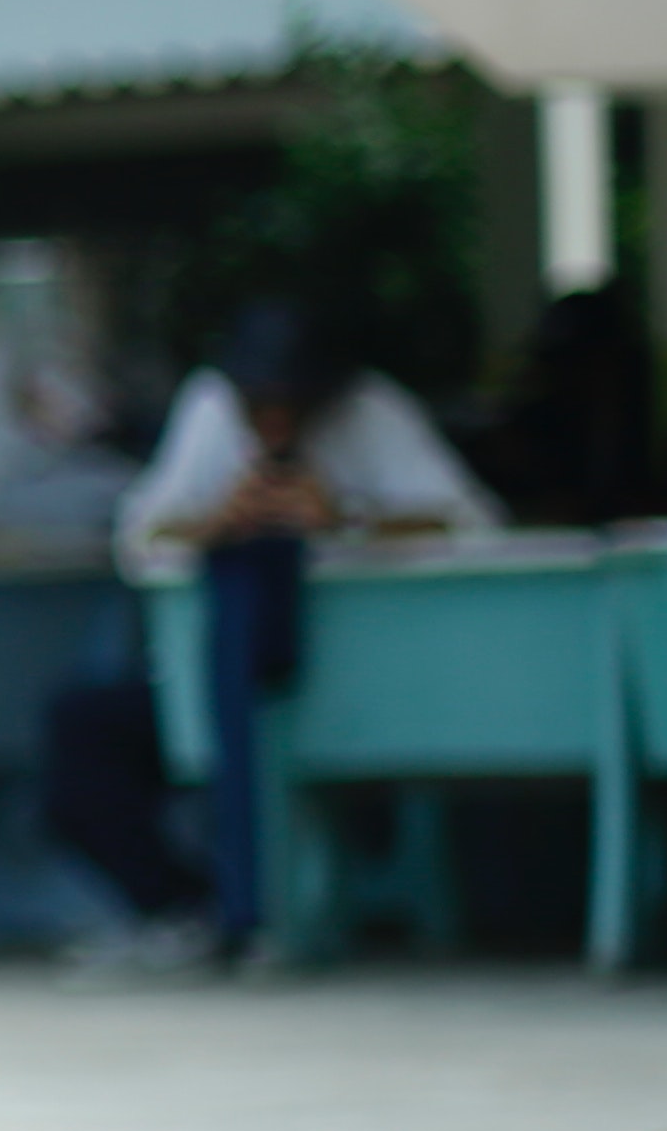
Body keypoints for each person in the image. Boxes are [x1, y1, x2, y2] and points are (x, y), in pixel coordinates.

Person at [42, 301, 499, 968]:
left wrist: (345, 519)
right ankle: (185, 907)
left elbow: (473, 526)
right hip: (218, 680)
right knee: (80, 732)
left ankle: (259, 909)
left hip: (362, 694)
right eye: (261, 404)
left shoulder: (370, 412)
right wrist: (217, 523)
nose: (276, 420)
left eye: (293, 404)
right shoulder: (210, 409)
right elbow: (140, 536)